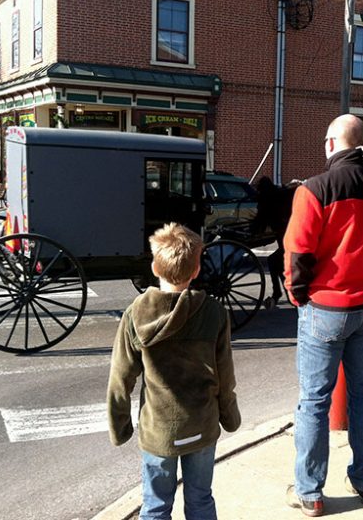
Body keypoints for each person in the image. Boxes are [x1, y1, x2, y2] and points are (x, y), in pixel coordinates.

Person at [284, 114, 363, 517]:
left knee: (314, 401)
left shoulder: (314, 190)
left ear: (330, 143)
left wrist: (298, 296)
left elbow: (297, 254)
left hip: (325, 307)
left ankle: (310, 491)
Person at [107, 222, 241, 520]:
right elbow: (225, 375)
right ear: (196, 271)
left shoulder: (136, 314)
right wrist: (229, 416)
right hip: (201, 425)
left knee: (155, 505)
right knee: (201, 499)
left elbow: (120, 378)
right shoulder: (214, 313)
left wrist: (120, 427)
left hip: (159, 429)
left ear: (155, 266)